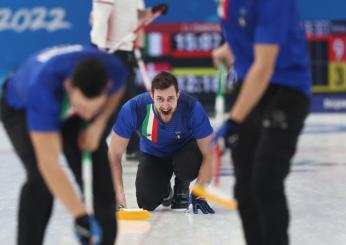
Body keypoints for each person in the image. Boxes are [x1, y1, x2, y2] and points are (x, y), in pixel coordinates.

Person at [0, 44, 127, 245]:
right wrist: (80, 217)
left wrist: (98, 124)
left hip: (66, 104)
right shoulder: (42, 90)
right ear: (69, 86)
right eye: (82, 108)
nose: (86, 116)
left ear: (107, 85)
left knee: (101, 185)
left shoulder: (113, 68)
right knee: (41, 181)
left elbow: (117, 93)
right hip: (21, 108)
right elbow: (49, 164)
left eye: (91, 110)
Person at [212, 0, 311, 244]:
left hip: (285, 90)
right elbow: (249, 33)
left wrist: (233, 122)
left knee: (266, 179)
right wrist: (230, 49)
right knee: (244, 188)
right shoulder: (226, 3)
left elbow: (265, 66)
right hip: (250, 87)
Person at [108, 71, 215, 214]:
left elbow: (211, 153)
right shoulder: (133, 109)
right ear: (151, 96)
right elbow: (114, 154)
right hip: (154, 155)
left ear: (178, 95)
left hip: (185, 152)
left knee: (188, 165)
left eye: (170, 98)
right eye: (160, 99)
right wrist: (118, 196)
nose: (165, 105)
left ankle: (182, 184)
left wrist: (200, 192)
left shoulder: (193, 108)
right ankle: (166, 191)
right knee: (146, 201)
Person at [90, 0, 166, 160]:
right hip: (111, 52)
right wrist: (101, 52)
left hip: (126, 52)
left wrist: (152, 12)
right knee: (120, 102)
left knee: (124, 101)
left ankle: (126, 145)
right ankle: (99, 141)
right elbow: (99, 20)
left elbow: (136, 17)